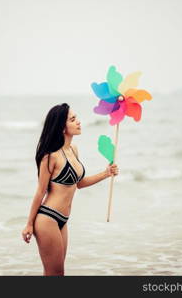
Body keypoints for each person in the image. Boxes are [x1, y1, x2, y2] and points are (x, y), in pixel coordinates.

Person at [21, 103, 119, 276]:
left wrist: (106, 173)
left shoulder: (73, 149)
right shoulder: (50, 156)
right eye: (73, 119)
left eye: (76, 118)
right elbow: (40, 192)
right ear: (61, 127)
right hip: (47, 219)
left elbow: (79, 183)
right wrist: (29, 224)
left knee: (55, 274)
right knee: (56, 274)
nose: (78, 122)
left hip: (63, 220)